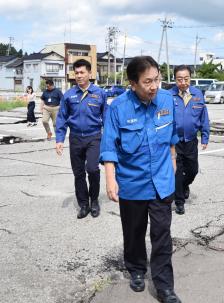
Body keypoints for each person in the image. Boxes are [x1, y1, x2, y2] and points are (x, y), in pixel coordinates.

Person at [100, 56, 181, 303]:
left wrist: (174, 162)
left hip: (162, 182)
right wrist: (110, 179)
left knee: (162, 234)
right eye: (148, 82)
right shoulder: (118, 108)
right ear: (133, 83)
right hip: (132, 183)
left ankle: (165, 286)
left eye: (157, 79)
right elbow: (109, 147)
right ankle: (136, 269)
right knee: (134, 232)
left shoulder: (167, 100)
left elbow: (172, 136)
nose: (154, 86)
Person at [55, 59, 107, 219]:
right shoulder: (69, 95)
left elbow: (106, 118)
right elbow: (62, 118)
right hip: (76, 138)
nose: (78, 76)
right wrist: (59, 139)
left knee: (92, 169)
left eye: (82, 72)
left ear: (90, 73)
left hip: (94, 138)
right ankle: (83, 204)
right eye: (76, 73)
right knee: (78, 173)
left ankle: (94, 200)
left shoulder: (100, 93)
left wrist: (111, 140)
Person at [169, 65, 210, 215]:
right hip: (174, 142)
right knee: (177, 172)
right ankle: (179, 202)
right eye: (179, 79)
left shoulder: (197, 94)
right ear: (175, 80)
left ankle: (184, 185)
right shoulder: (169, 95)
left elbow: (204, 117)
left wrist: (205, 136)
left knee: (192, 170)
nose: (183, 82)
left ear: (190, 78)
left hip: (191, 140)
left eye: (186, 79)